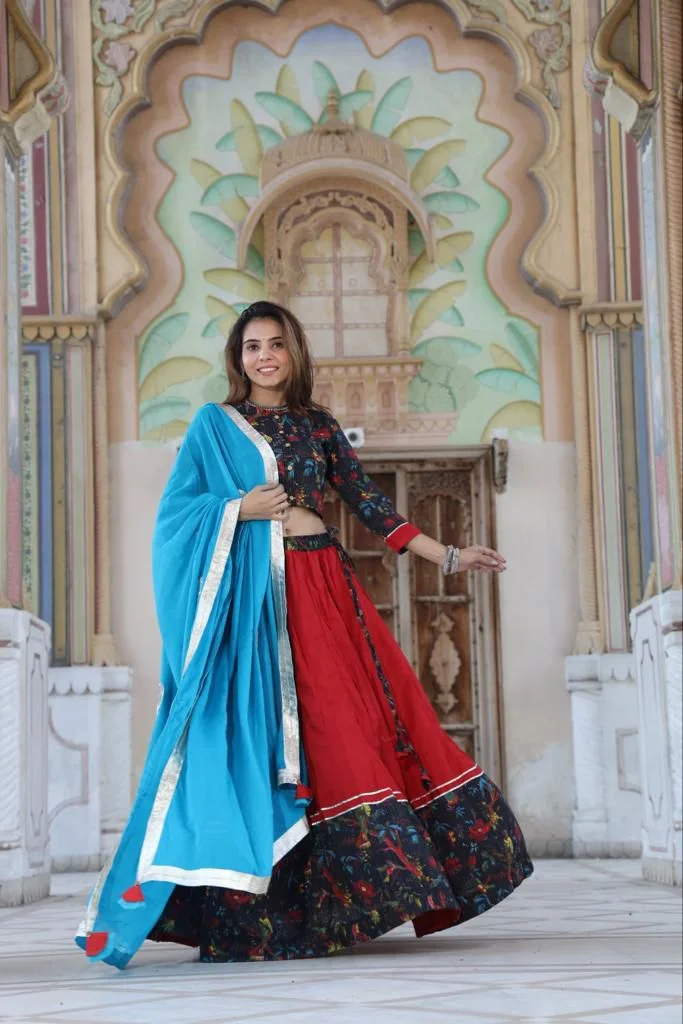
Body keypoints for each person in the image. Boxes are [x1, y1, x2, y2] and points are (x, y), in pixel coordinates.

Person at [76, 301, 532, 969]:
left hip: (324, 591)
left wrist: (451, 557)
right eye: (251, 345)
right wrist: (239, 507)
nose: (262, 355)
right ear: (237, 358)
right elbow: (176, 516)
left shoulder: (316, 426)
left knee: (344, 729)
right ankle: (258, 913)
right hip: (256, 604)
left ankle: (339, 906)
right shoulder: (214, 425)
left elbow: (369, 505)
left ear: (293, 353)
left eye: (275, 344)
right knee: (265, 738)